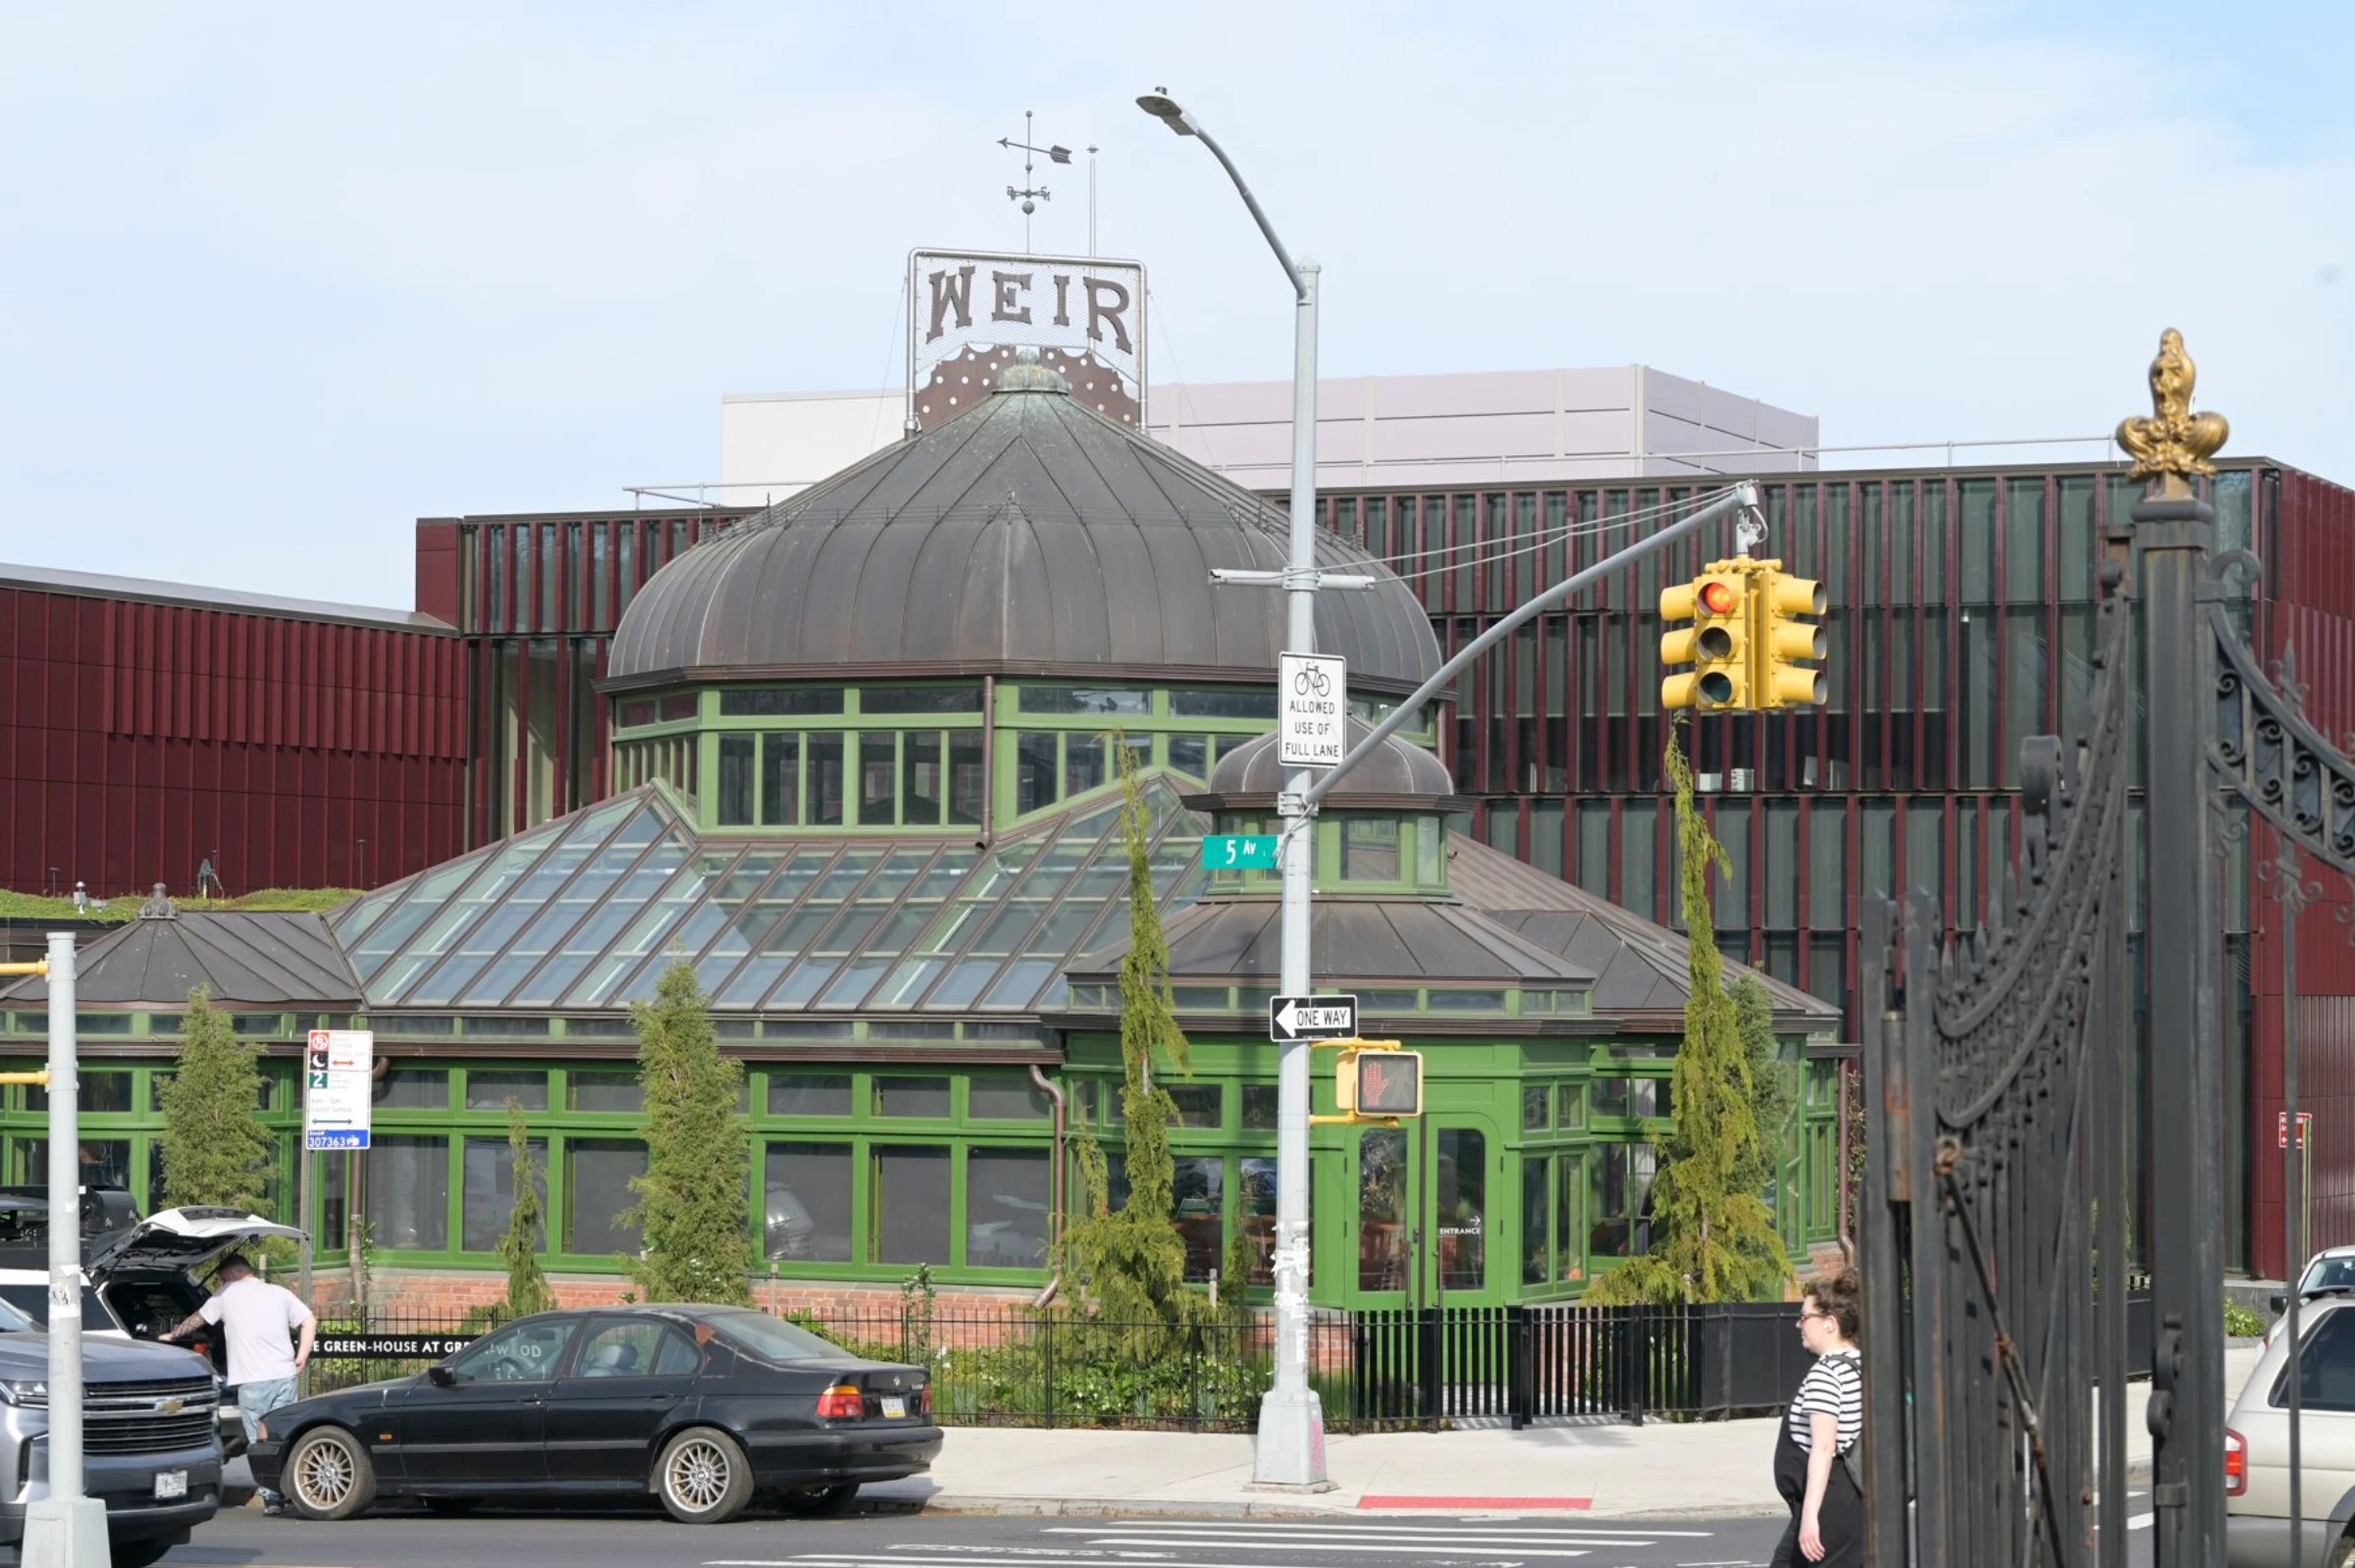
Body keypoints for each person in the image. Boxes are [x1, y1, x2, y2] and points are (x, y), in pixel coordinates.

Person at [159, 1255, 316, 1515]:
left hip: (253, 1380)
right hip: (284, 1375)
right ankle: (290, 1489)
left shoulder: (226, 1294)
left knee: (259, 1441)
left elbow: (198, 1319)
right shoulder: (279, 1293)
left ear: (230, 1276)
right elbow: (309, 1320)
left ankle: (272, 1498)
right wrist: (302, 1356)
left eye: (222, 1279)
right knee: (284, 1436)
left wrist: (172, 1335)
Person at [1772, 1267, 1864, 1567]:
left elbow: (1824, 1448)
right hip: (1854, 1503)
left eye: (1804, 1317)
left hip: (1828, 1504)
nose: (1799, 1324)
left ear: (1829, 1323)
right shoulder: (1864, 1366)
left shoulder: (1826, 1373)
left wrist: (1811, 1516)